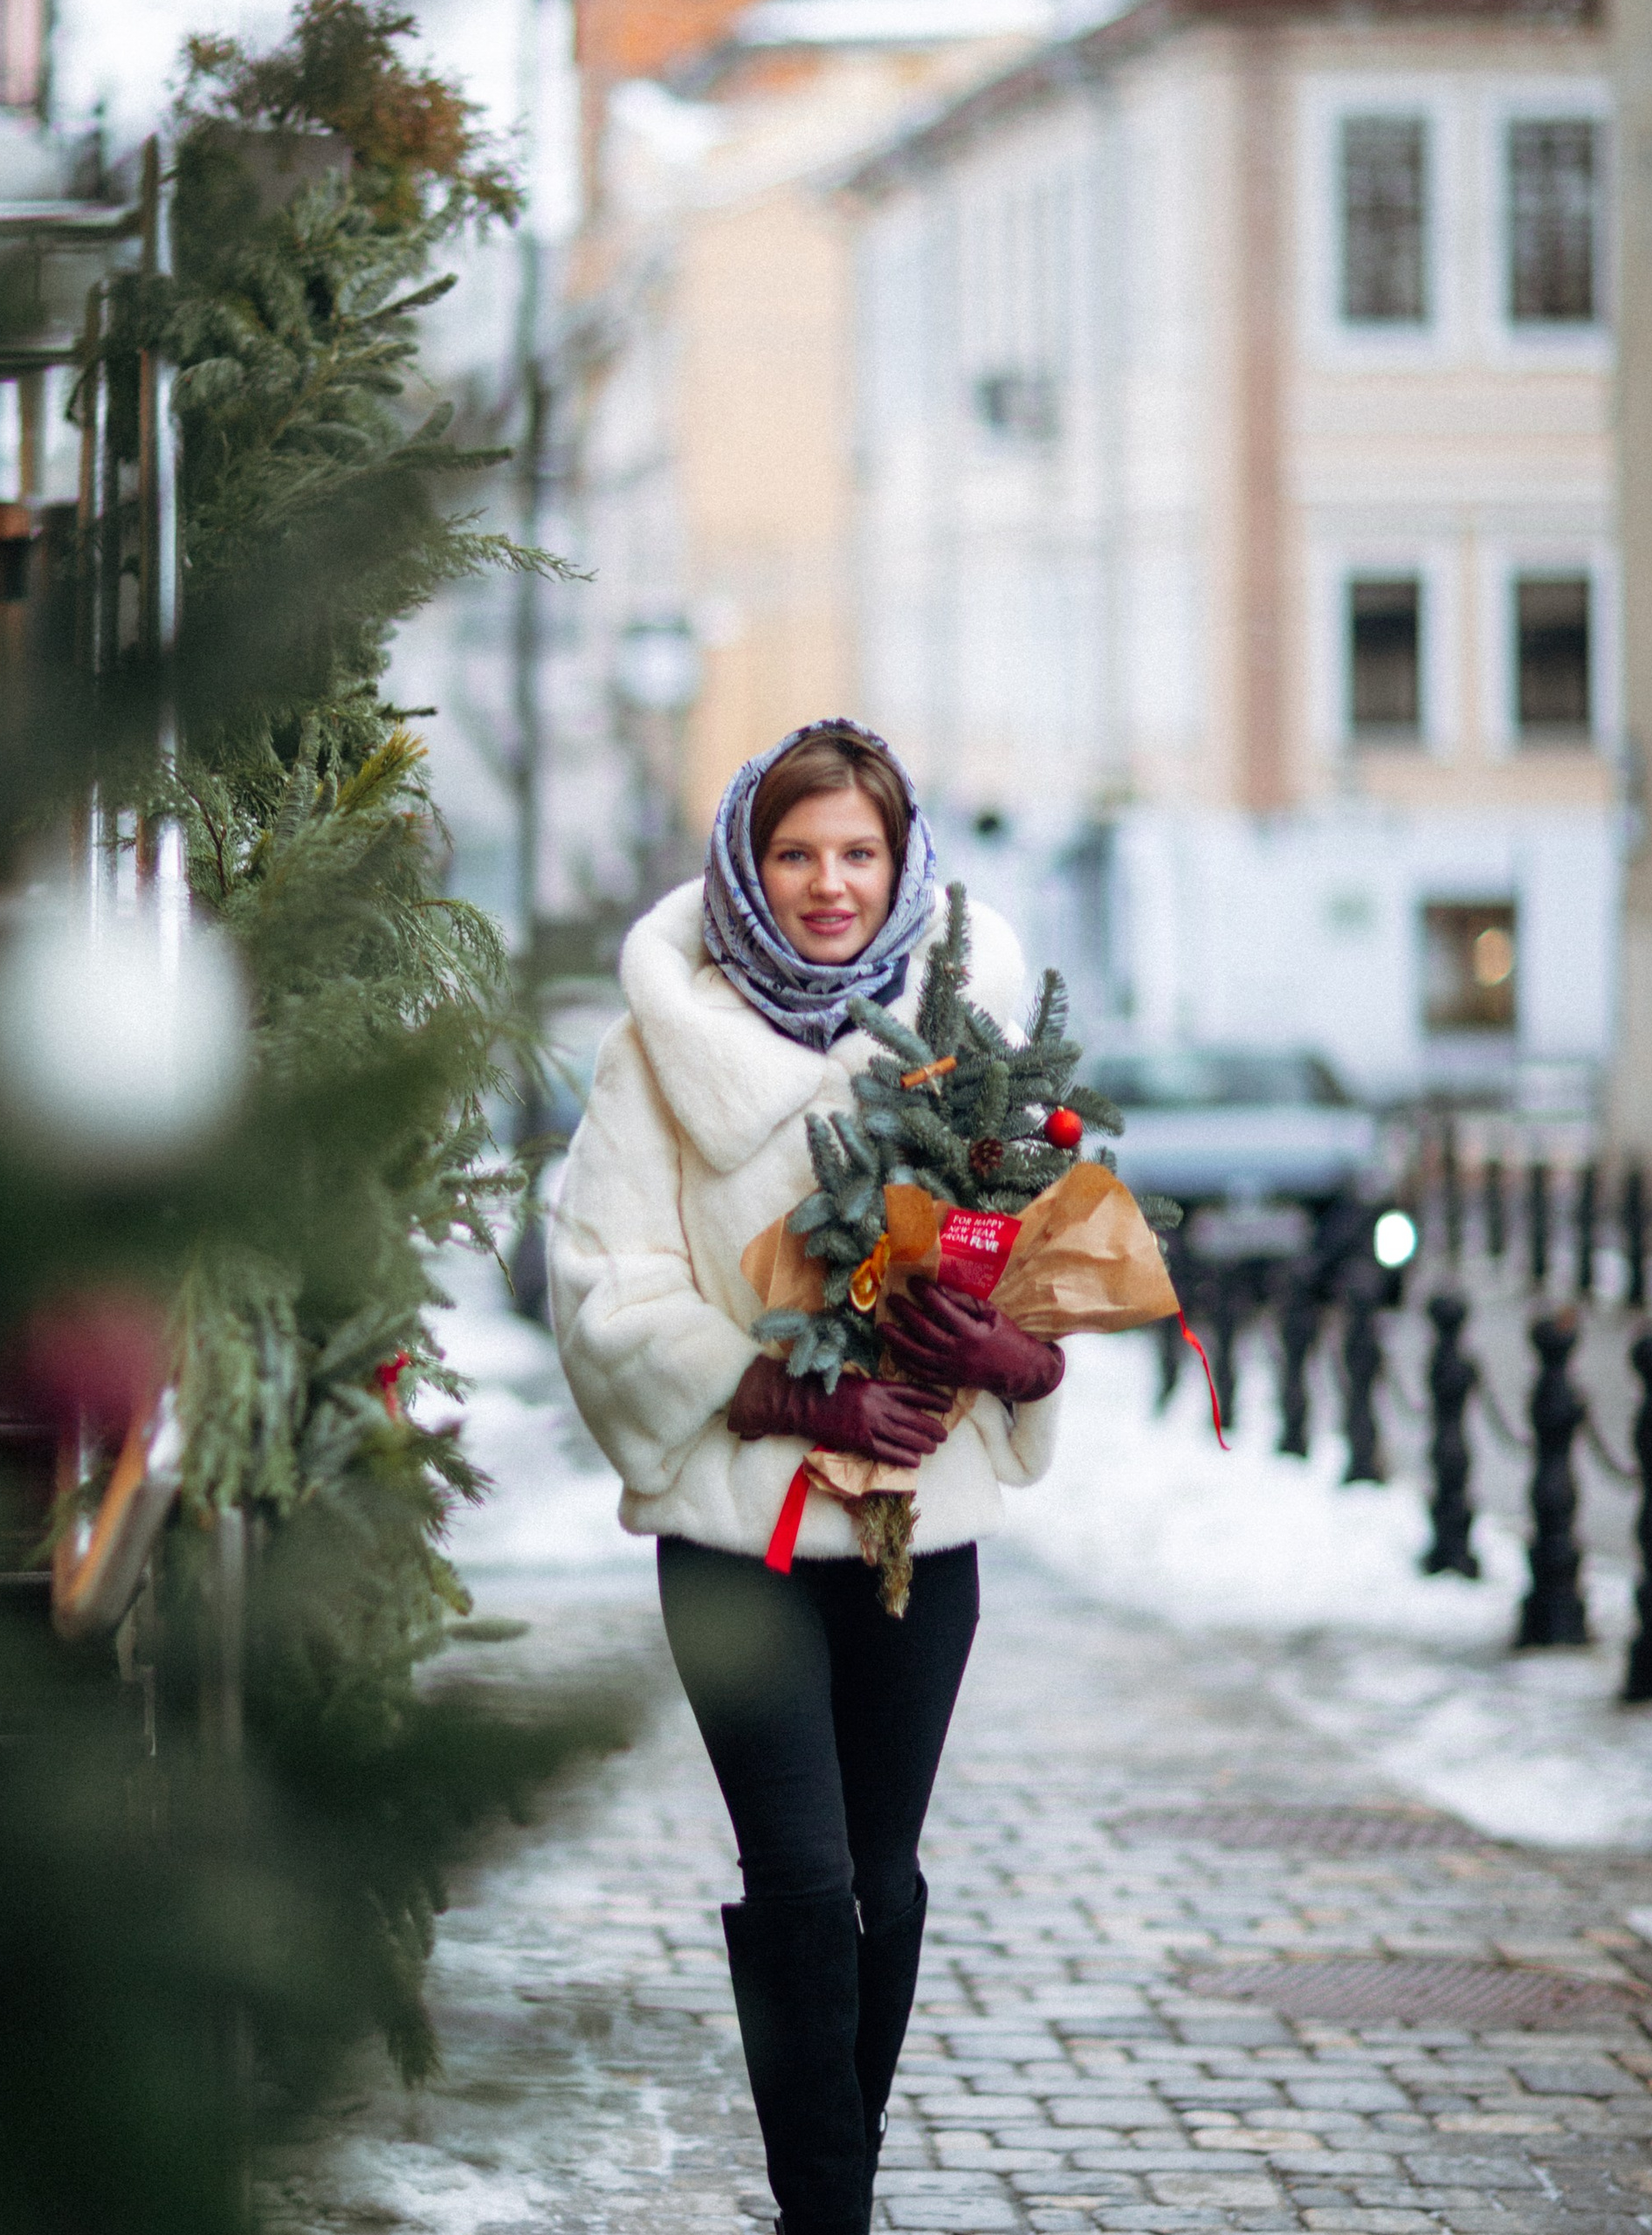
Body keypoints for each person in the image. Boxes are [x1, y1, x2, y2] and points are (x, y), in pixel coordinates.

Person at [549, 719, 1066, 2235]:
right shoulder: (656, 1046)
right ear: (745, 865)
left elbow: (1040, 1264)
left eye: (859, 854)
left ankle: (835, 2174)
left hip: (924, 1529)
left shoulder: (971, 1042)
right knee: (798, 1872)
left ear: (903, 869)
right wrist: (768, 1381)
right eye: (795, 853)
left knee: (884, 1882)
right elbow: (602, 1283)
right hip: (739, 1537)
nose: (828, 885)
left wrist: (1003, 1359)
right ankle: (822, 2213)